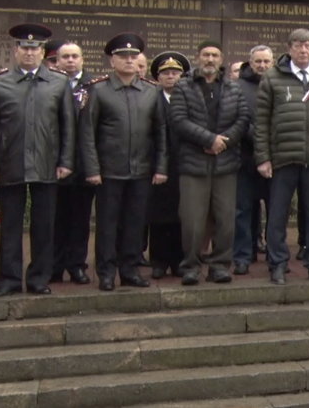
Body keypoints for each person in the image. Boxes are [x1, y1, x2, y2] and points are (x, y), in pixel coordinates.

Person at [0, 24, 75, 297]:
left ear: (42, 52)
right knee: (10, 226)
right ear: (16, 50)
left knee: (44, 226)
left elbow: (68, 126)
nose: (29, 53)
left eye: (35, 48)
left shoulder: (58, 83)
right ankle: (10, 280)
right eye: (24, 47)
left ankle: (38, 279)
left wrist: (66, 161)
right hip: (9, 163)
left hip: (47, 164)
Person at [77, 33, 168, 291]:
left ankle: (130, 271)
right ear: (112, 61)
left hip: (141, 170)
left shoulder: (152, 91)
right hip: (109, 171)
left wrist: (161, 167)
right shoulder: (98, 90)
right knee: (107, 224)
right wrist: (92, 169)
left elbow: (161, 132)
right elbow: (87, 134)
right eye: (123, 56)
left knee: (135, 224)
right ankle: (106, 272)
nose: (129, 61)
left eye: (133, 56)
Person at [253, 29, 309, 285]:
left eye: (307, 45)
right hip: (282, 158)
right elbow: (261, 121)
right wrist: (263, 157)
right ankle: (278, 264)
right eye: (298, 45)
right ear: (289, 48)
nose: (303, 50)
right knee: (278, 214)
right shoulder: (272, 78)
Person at [170, 40, 251, 285]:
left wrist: (223, 142)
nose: (210, 59)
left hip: (225, 163)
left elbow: (243, 118)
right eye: (206, 55)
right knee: (193, 221)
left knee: (225, 220)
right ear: (198, 57)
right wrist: (208, 139)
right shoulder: (183, 87)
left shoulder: (233, 88)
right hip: (194, 164)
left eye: (215, 55)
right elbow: (178, 120)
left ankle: (220, 266)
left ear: (221, 59)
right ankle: (191, 267)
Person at [52, 41, 96, 286]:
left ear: (82, 59)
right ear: (57, 61)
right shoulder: (51, 84)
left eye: (74, 56)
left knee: (80, 220)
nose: (70, 60)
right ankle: (55, 266)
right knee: (56, 219)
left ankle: (77, 266)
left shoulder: (95, 86)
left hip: (82, 164)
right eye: (65, 57)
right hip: (55, 163)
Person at [148, 51, 189, 279]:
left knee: (182, 215)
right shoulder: (151, 98)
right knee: (159, 215)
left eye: (175, 73)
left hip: (184, 163)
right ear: (158, 78)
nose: (171, 77)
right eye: (166, 73)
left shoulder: (188, 99)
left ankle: (179, 261)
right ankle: (159, 261)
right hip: (158, 165)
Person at [234, 45, 272, 275]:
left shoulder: (279, 84)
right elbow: (237, 118)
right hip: (245, 158)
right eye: (258, 61)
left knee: (275, 209)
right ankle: (242, 256)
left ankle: (275, 256)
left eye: (267, 61)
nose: (262, 66)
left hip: (274, 159)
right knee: (242, 210)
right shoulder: (237, 87)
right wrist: (258, 139)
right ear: (250, 62)